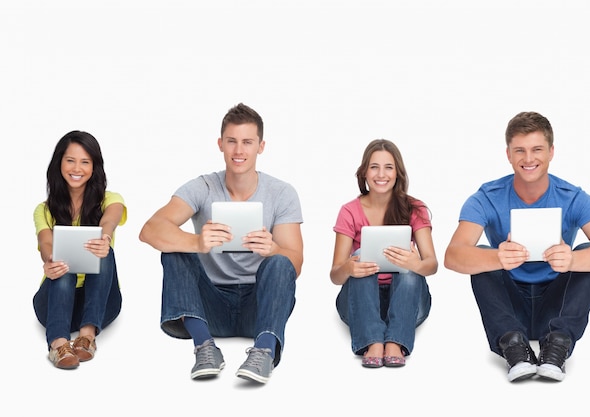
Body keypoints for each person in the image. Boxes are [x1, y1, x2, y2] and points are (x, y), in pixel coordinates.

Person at [444, 111, 590, 382]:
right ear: (508, 154)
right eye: (520, 151)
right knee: (480, 253)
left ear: (551, 152)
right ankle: (514, 345)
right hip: (509, 305)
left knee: (589, 249)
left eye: (537, 149)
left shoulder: (574, 197)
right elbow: (453, 255)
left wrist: (573, 261)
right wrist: (498, 257)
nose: (529, 159)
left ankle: (557, 345)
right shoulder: (486, 198)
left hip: (557, 305)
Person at [139, 103, 303, 384]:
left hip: (260, 306)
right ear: (220, 144)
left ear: (260, 146)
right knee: (174, 251)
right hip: (209, 305)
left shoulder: (282, 193)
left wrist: (274, 249)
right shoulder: (202, 187)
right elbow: (150, 230)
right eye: (232, 142)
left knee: (280, 261)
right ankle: (205, 347)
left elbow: (296, 263)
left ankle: (264, 350)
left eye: (247, 142)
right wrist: (197, 242)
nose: (239, 151)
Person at [330, 139, 437, 368]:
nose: (381, 174)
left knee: (410, 264)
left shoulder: (414, 208)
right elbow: (335, 276)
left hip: (408, 303)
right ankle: (373, 340)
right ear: (364, 173)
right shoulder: (349, 211)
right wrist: (349, 266)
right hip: (360, 303)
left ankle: (395, 341)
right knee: (360, 254)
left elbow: (432, 264)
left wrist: (415, 263)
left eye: (388, 167)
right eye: (374, 167)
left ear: (398, 172)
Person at [33, 130, 127, 369]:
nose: (77, 168)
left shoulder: (110, 198)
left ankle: (86, 336)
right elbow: (45, 242)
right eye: (70, 160)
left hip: (98, 304)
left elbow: (111, 219)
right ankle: (58, 344)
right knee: (64, 261)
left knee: (104, 252)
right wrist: (50, 259)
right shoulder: (44, 210)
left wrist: (104, 236)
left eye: (85, 162)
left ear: (94, 167)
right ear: (59, 163)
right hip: (55, 300)